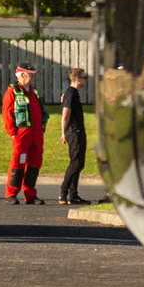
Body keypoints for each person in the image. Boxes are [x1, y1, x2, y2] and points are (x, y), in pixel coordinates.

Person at [2, 62, 45, 205]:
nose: (31, 77)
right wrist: (12, 132)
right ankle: (11, 194)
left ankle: (30, 194)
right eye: (29, 74)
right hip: (22, 134)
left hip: (36, 134)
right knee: (18, 163)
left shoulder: (33, 92)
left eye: (32, 75)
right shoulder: (12, 91)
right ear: (21, 75)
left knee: (35, 163)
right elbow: (7, 112)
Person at [59, 67, 89, 205]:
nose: (85, 80)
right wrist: (63, 133)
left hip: (78, 131)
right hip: (74, 132)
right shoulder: (71, 92)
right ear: (76, 79)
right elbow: (65, 114)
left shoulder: (73, 93)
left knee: (79, 163)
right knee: (76, 163)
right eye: (84, 77)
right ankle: (63, 192)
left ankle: (73, 195)